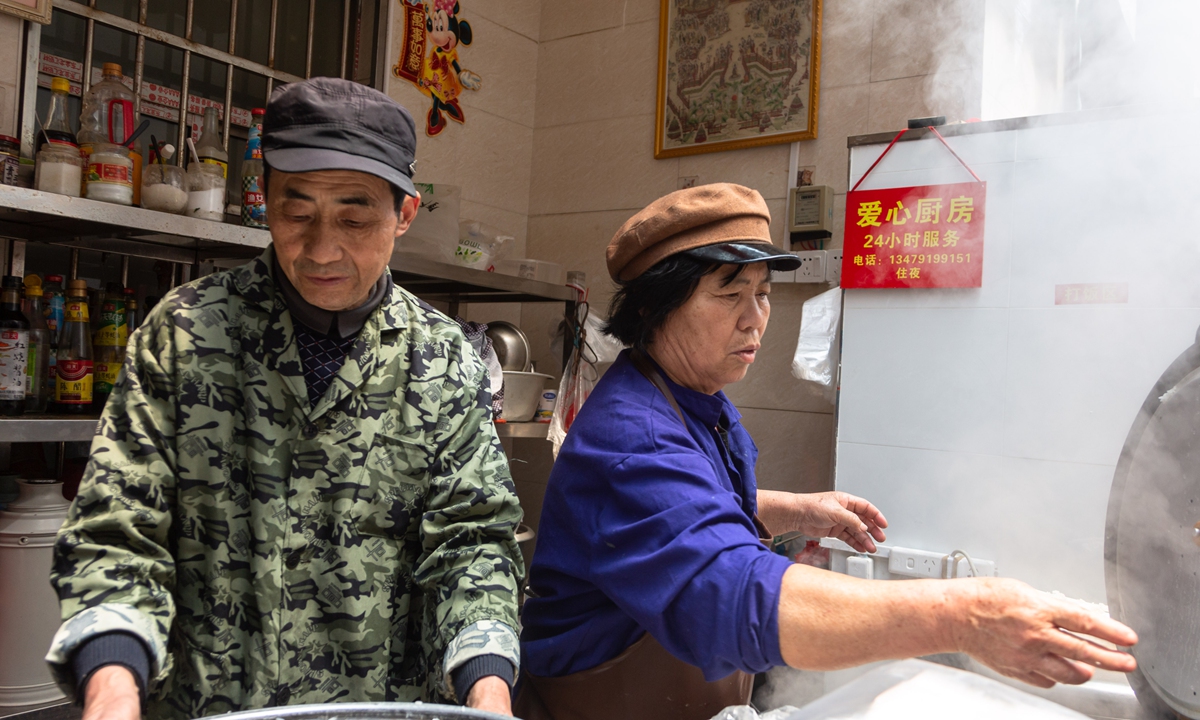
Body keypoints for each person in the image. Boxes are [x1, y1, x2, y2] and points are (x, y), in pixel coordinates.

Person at [515, 183, 1138, 720]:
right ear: (654, 305)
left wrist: (790, 509)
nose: (756, 319)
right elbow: (731, 596)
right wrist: (962, 615)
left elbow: (680, 517)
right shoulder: (634, 432)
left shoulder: (692, 396)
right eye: (730, 295)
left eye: (762, 293)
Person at [45, 78, 523, 720]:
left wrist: (486, 690)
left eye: (355, 218)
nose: (323, 250)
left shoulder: (442, 359)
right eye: (296, 214)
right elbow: (117, 531)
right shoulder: (186, 332)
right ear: (263, 200)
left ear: (404, 214)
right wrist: (111, 687)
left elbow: (471, 541)